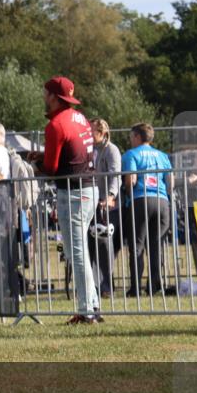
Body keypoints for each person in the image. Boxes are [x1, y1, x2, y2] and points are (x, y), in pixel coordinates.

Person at [31, 77, 98, 324]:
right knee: (80, 251)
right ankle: (92, 306)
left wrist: (35, 164)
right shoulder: (80, 118)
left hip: (72, 193)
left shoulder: (55, 125)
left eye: (45, 93)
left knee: (77, 253)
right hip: (89, 189)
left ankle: (86, 311)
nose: (43, 97)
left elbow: (50, 167)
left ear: (53, 96)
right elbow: (72, 153)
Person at [122, 123, 173, 298]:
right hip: (162, 200)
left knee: (137, 246)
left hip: (140, 199)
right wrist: (167, 197)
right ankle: (154, 286)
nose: (130, 140)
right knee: (156, 245)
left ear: (137, 137)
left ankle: (135, 288)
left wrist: (128, 195)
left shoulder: (131, 154)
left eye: (131, 137)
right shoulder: (163, 155)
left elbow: (132, 179)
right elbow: (170, 180)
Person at [88, 119, 122, 299]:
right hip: (91, 202)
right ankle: (92, 285)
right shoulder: (90, 149)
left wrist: (110, 195)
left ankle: (106, 285)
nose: (88, 133)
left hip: (106, 203)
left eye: (91, 130)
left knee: (105, 245)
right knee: (91, 245)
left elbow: (115, 174)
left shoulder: (111, 150)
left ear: (101, 132)